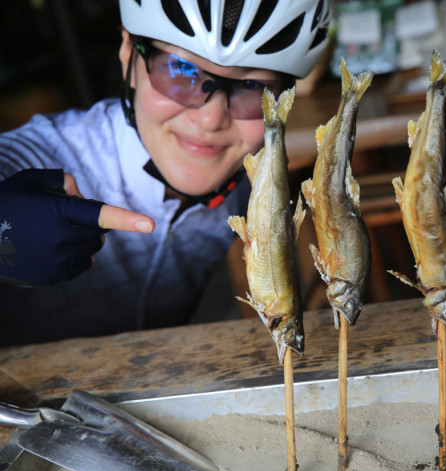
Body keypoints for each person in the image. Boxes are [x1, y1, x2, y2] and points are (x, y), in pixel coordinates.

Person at [0, 0, 331, 345]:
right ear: (129, 53)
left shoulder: (251, 185)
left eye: (251, 87)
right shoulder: (48, 154)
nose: (210, 120)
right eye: (181, 71)